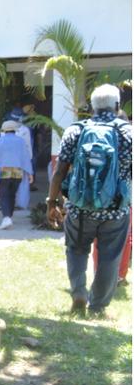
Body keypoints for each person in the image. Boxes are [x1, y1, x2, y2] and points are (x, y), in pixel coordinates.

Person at [47, 83, 132, 316]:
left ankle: (79, 293)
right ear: (116, 106)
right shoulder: (128, 133)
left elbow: (59, 172)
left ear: (92, 107)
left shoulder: (75, 131)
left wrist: (51, 203)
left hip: (80, 208)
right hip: (116, 210)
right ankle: (97, 307)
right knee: (110, 257)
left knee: (75, 250)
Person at [0, 119, 34, 229]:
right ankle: (9, 216)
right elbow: (26, 157)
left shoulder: (0, 141)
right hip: (17, 173)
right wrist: (30, 173)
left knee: (4, 194)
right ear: (15, 130)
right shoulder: (21, 141)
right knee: (12, 194)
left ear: (4, 130)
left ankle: (6, 217)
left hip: (4, 172)